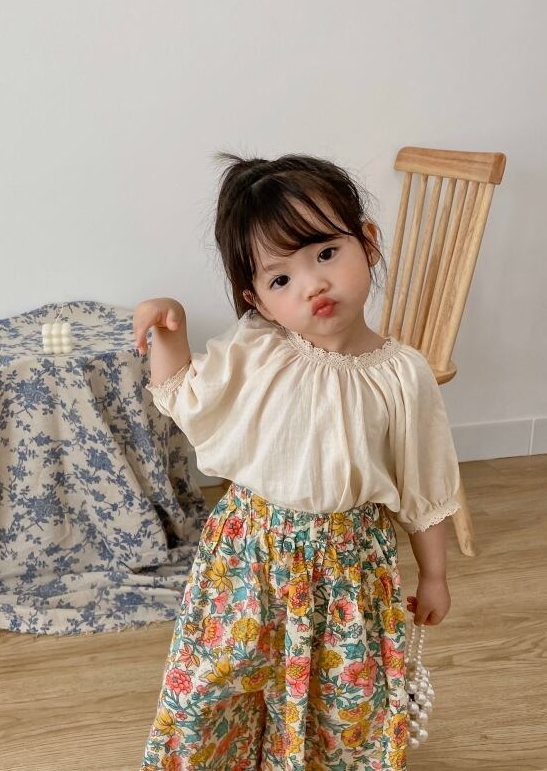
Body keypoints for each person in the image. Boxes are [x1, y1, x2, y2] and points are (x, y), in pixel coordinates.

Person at [132, 153, 461, 770]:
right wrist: (170, 329)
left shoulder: (402, 374)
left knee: (339, 701)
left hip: (347, 571)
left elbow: (426, 488)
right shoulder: (260, 349)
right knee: (221, 684)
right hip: (248, 560)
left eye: (325, 253)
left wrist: (435, 575)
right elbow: (184, 395)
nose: (312, 285)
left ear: (368, 243)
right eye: (280, 279)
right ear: (256, 299)